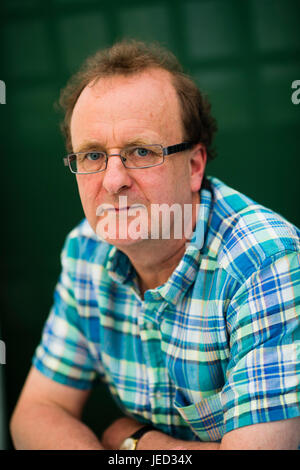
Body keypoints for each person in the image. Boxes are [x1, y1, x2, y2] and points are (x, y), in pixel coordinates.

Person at [10, 40, 300, 450]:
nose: (113, 182)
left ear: (195, 165)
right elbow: (37, 413)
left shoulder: (265, 261)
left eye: (141, 151)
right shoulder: (85, 250)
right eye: (92, 156)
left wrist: (135, 441)